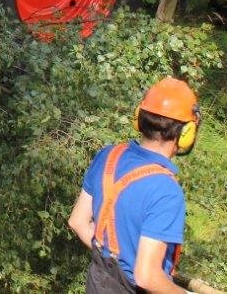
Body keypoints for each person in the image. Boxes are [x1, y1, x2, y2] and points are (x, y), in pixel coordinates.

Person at [67, 77, 201, 293]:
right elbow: (146, 276)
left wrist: (115, 261)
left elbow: (78, 222)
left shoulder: (108, 156)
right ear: (186, 134)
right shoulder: (166, 191)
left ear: (139, 117)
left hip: (99, 283)